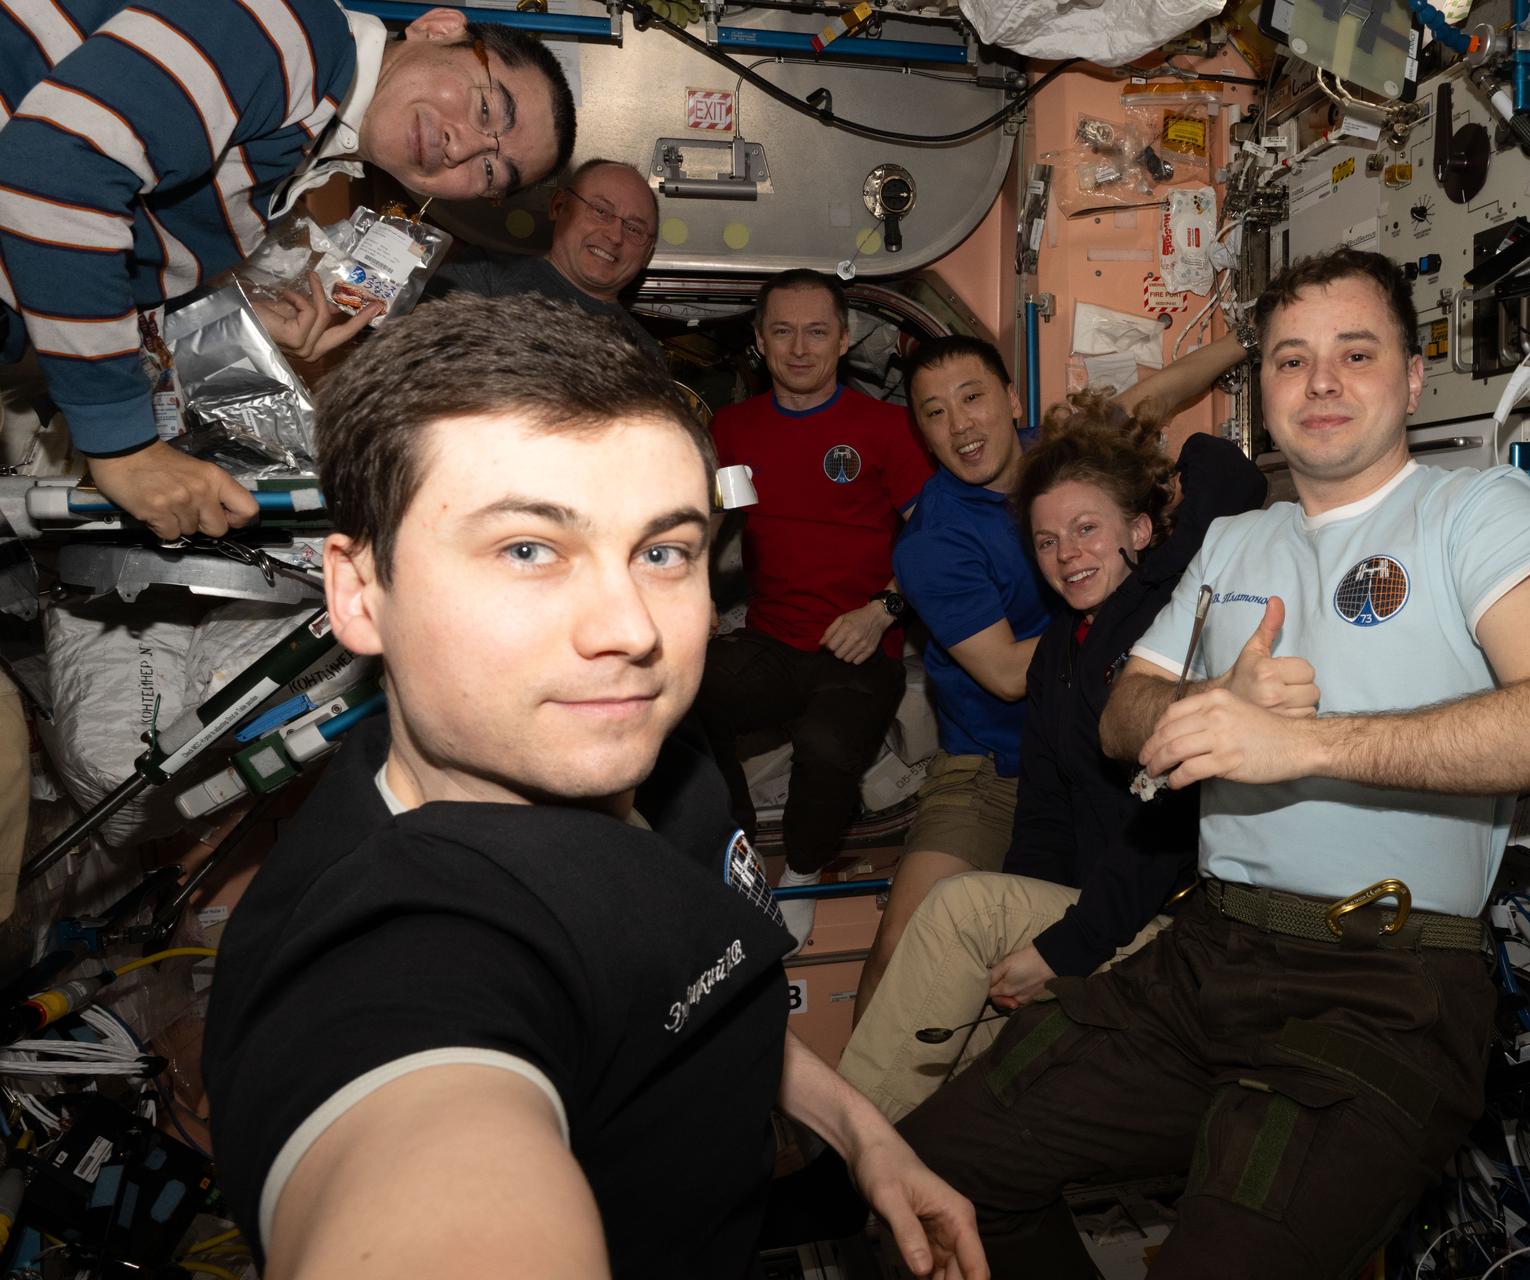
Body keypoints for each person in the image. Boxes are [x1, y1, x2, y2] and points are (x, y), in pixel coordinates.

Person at [200, 294, 984, 1280]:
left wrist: (862, 1132)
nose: (630, 628)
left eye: (664, 551)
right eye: (529, 548)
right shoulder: (393, 950)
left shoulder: (669, 764)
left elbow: (690, 996)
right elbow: (433, 1155)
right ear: (360, 591)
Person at [897, 248, 1530, 1278]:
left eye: (1354, 352)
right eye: (1291, 359)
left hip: (1387, 984)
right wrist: (1209, 703)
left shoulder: (1477, 515)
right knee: (931, 1176)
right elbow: (1123, 708)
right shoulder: (1238, 539)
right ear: (1263, 389)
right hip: (1210, 955)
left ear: (1413, 379)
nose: (1320, 381)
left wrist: (1305, 742)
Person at [839, 389, 1266, 1122]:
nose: (1069, 554)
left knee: (959, 909)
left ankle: (853, 1142)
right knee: (982, 948)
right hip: (1094, 907)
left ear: (1140, 531)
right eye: (1046, 542)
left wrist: (1064, 947)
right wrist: (1032, 936)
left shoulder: (1158, 626)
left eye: (1088, 529)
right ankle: (903, 1139)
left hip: (1168, 920)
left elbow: (1223, 468)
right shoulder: (1053, 661)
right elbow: (1043, 815)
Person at [0, 2, 575, 542]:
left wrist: (243, 315)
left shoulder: (307, 151)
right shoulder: (294, 32)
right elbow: (55, 174)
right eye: (486, 109)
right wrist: (124, 446)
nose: (462, 147)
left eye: (491, 170)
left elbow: (107, 237)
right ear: (438, 27)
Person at [694, 269, 932, 952]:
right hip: (771, 641)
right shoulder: (734, 427)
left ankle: (799, 871)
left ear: (845, 339)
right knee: (680, 693)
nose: (800, 347)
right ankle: (734, 856)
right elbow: (716, 518)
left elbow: (932, 539)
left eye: (817, 331)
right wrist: (697, 592)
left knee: (827, 749)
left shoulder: (888, 428)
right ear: (762, 342)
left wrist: (884, 609)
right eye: (784, 331)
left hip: (860, 645)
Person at [424, 158, 665, 363]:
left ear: (647, 254)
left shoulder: (646, 354)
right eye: (600, 211)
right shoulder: (482, 272)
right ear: (558, 206)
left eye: (634, 229)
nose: (615, 236)